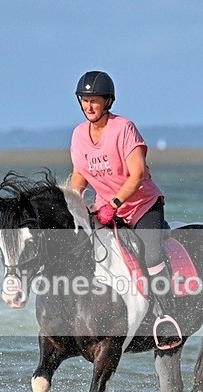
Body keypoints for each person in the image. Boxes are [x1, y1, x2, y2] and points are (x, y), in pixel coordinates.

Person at [69, 70, 180, 347]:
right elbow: (80, 177)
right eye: (84, 100)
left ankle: (165, 317)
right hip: (105, 207)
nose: (89, 106)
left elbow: (138, 174)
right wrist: (73, 205)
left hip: (141, 206)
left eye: (94, 100)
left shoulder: (124, 128)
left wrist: (115, 205)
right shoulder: (79, 135)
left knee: (152, 253)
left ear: (108, 101)